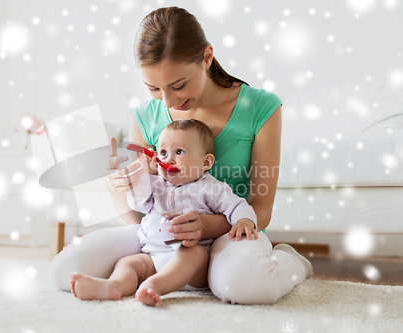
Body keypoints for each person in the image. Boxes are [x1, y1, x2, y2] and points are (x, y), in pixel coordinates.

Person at [51, 6, 313, 305]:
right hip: (161, 233)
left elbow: (261, 208)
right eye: (153, 88)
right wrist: (118, 190)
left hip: (231, 232)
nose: (169, 100)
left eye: (178, 85)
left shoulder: (260, 107)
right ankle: (148, 278)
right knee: (64, 270)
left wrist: (205, 226)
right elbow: (138, 216)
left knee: (245, 288)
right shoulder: (145, 116)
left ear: (207, 57)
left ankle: (291, 262)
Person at [69, 119, 258, 306]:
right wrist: (147, 175)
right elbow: (138, 204)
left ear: (205, 162)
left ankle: (153, 286)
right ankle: (114, 286)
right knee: (128, 263)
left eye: (179, 152)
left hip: (193, 264)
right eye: (163, 153)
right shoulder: (156, 184)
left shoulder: (211, 187)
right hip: (153, 256)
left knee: (194, 255)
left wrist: (244, 221)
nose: (168, 159)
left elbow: (236, 206)